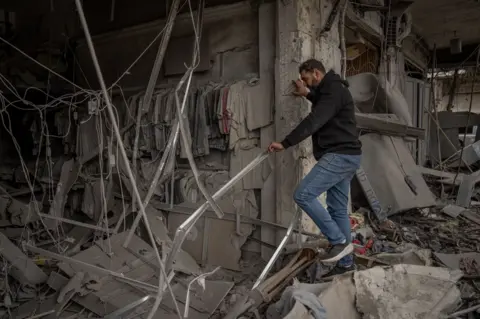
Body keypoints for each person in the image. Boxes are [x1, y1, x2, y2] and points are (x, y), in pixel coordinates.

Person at [268, 59, 362, 275]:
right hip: (348, 156)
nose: (304, 82)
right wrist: (307, 94)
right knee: (337, 209)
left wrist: (286, 143)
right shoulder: (331, 90)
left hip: (340, 156)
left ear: (316, 73)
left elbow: (315, 119)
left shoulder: (334, 90)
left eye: (306, 78)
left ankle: (338, 241)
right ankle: (346, 263)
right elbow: (323, 104)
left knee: (303, 194)